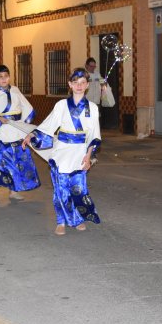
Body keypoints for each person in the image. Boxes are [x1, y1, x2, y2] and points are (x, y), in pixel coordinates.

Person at [22, 68, 101, 236]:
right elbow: (48, 125)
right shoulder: (61, 105)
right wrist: (31, 135)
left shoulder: (92, 108)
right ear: (70, 84)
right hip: (62, 152)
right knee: (60, 189)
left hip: (80, 153)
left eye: (82, 83)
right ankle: (61, 221)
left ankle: (77, 218)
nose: (79, 86)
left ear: (87, 85)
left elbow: (94, 135)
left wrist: (88, 156)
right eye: (75, 83)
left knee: (78, 188)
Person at [0, 64, 40, 202]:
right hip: (2, 132)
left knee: (18, 161)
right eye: (0, 77)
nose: (4, 79)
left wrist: (24, 124)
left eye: (6, 76)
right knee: (1, 163)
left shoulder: (16, 90)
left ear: (9, 77)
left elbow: (27, 107)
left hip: (17, 130)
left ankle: (14, 191)